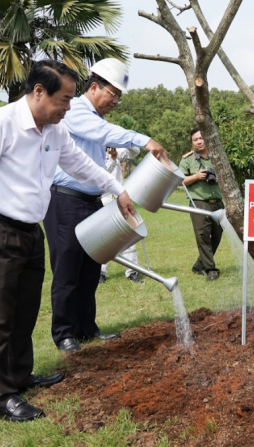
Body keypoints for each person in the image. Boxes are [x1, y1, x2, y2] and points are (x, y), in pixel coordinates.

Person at [0, 60, 136, 422]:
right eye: (64, 99)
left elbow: (81, 163)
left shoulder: (54, 131)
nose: (69, 107)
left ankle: (21, 376)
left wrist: (118, 189)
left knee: (25, 312)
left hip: (31, 232)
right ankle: (3, 397)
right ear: (39, 91)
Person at [43, 58, 168, 354]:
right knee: (67, 268)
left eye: (118, 97)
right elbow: (104, 134)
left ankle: (87, 327)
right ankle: (64, 334)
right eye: (112, 94)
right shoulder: (75, 111)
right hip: (64, 200)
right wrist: (145, 140)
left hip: (91, 201)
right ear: (94, 86)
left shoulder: (96, 119)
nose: (115, 101)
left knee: (90, 267)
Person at [180, 128, 224, 281]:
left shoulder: (217, 157)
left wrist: (220, 178)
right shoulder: (187, 159)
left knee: (217, 236)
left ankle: (199, 264)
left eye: (201, 138)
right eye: (195, 140)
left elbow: (227, 174)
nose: (198, 141)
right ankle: (211, 270)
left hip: (218, 202)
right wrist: (197, 176)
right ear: (192, 142)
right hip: (198, 201)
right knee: (203, 236)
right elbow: (180, 180)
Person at [100, 147, 142, 283]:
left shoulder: (117, 148)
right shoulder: (93, 151)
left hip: (120, 200)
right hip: (102, 200)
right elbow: (101, 175)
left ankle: (132, 271)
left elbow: (135, 151)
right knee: (104, 238)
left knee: (128, 235)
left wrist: (123, 139)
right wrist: (112, 158)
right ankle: (100, 272)